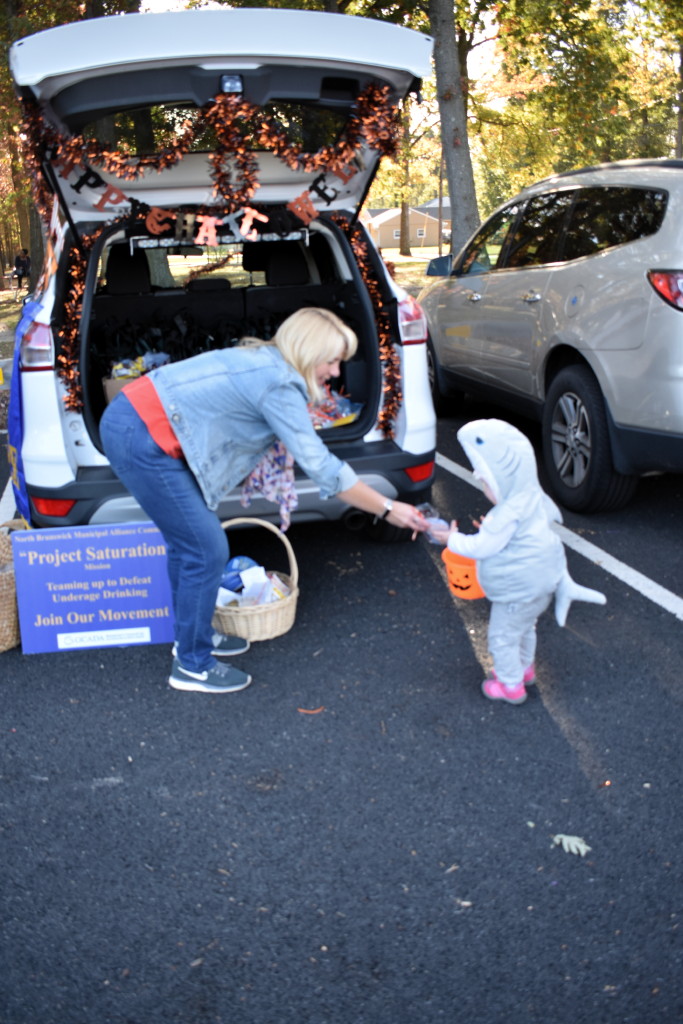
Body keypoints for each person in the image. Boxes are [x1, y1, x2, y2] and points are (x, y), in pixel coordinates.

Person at [100, 307, 429, 695]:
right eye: (332, 360)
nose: (337, 372)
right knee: (205, 549)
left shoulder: (268, 360)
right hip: (139, 434)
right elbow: (322, 467)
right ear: (307, 352)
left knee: (189, 546)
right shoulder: (277, 382)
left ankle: (194, 636)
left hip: (135, 419)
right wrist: (388, 508)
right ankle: (192, 665)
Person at [427, 419, 606, 706]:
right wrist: (495, 529)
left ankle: (510, 685)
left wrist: (452, 539)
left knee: (502, 636)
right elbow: (523, 535)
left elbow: (481, 547)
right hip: (540, 587)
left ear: (502, 478)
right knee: (525, 627)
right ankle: (524, 668)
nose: (483, 486)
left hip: (516, 590)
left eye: (485, 481)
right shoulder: (534, 499)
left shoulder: (506, 514)